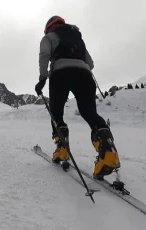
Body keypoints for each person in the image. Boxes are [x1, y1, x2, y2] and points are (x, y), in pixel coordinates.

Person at [34, 15, 120, 179]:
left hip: (60, 74)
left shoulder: (48, 37)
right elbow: (91, 63)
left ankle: (62, 148)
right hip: (84, 74)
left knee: (56, 113)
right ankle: (108, 153)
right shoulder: (77, 37)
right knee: (89, 113)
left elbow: (44, 54)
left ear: (49, 27)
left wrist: (42, 78)